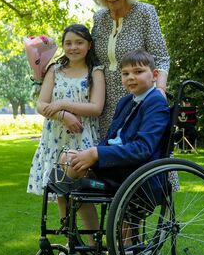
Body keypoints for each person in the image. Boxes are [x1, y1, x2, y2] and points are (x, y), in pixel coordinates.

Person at [27, 24, 105, 228]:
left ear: (89, 45)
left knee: (80, 192)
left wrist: (62, 104)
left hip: (82, 137)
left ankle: (91, 244)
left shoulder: (95, 72)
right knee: (61, 191)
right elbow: (41, 105)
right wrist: (63, 116)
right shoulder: (55, 70)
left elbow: (96, 107)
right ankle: (68, 241)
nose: (73, 47)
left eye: (79, 42)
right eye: (68, 43)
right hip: (56, 137)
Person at [62, 49, 170, 191]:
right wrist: (94, 153)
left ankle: (85, 187)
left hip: (134, 171)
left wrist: (97, 154)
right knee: (66, 161)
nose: (131, 77)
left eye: (138, 72)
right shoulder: (125, 102)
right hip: (115, 163)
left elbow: (143, 149)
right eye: (125, 73)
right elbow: (111, 137)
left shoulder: (156, 101)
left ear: (155, 75)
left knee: (70, 167)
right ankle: (69, 209)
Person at [91, 0, 170, 139]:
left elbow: (161, 57)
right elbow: (91, 58)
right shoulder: (99, 18)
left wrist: (161, 90)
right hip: (104, 100)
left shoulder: (145, 12)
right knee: (108, 153)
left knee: (138, 150)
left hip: (138, 97)